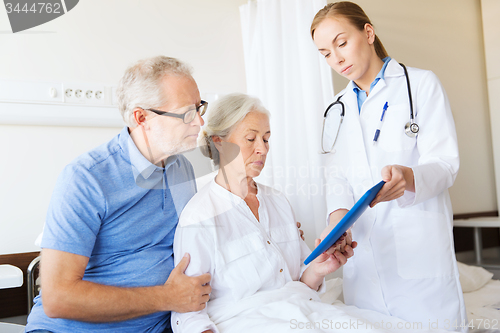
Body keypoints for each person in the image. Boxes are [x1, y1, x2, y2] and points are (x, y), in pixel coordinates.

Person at [171, 93, 450, 333]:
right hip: (246, 321)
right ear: (219, 143)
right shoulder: (199, 216)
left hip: (301, 310)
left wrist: (321, 267)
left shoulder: (277, 201)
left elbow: (301, 280)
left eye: (267, 139)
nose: (262, 149)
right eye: (251, 138)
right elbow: (188, 312)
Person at [25, 56, 212, 333]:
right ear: (141, 118)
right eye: (186, 113)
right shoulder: (86, 178)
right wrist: (168, 297)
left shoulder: (181, 167)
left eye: (199, 108)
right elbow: (58, 298)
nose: (199, 121)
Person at [310, 2, 466, 331]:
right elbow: (336, 173)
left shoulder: (421, 85)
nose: (336, 59)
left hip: (418, 248)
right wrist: (338, 217)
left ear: (368, 32)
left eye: (341, 43)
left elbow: (445, 163)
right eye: (325, 53)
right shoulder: (335, 109)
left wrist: (409, 178)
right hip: (363, 256)